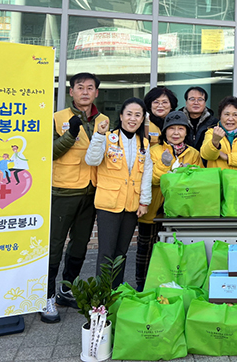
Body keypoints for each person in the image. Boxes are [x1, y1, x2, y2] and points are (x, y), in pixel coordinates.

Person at [44, 72, 108, 323]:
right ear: (71, 92)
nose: (85, 92)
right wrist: (70, 134)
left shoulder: (103, 119)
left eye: (90, 88)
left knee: (80, 244)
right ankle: (46, 296)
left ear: (96, 93)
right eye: (80, 87)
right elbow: (49, 153)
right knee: (54, 245)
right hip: (63, 190)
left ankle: (66, 288)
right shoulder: (57, 118)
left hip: (92, 191)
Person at [86, 98, 152, 288]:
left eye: (137, 115)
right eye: (129, 114)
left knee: (122, 253)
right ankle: (102, 294)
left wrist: (144, 201)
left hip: (131, 205)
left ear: (142, 119)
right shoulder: (107, 137)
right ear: (121, 116)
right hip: (109, 203)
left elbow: (146, 173)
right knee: (106, 252)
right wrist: (99, 135)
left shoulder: (144, 143)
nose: (133, 119)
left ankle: (116, 290)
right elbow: (92, 160)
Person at [137, 111, 201, 290]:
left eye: (181, 128)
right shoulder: (154, 151)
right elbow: (151, 179)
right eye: (172, 129)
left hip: (180, 211)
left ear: (186, 132)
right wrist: (166, 166)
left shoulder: (193, 153)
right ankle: (143, 286)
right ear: (165, 131)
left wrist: (190, 172)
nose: (176, 133)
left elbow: (199, 182)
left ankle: (173, 286)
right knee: (146, 249)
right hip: (154, 209)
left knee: (174, 248)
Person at [136, 87, 178, 289]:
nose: (160, 106)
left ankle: (165, 283)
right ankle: (142, 285)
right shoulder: (142, 125)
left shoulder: (178, 124)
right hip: (150, 195)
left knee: (168, 244)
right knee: (145, 244)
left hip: (172, 200)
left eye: (165, 102)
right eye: (156, 102)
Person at [200, 96, 237, 170]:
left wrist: (227, 157)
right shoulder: (211, 132)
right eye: (227, 114)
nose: (230, 119)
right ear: (220, 116)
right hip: (218, 177)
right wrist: (215, 141)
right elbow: (206, 155)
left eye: (235, 115)